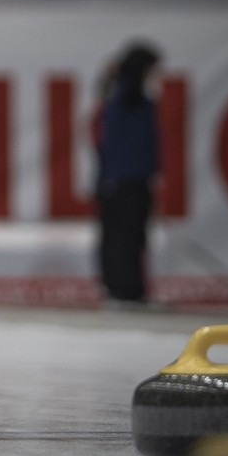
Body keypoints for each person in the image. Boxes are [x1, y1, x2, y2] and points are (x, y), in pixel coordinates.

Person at [94, 42, 162, 305]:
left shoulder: (133, 98)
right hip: (122, 179)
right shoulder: (124, 96)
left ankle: (127, 288)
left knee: (131, 236)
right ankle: (122, 289)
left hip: (132, 178)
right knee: (121, 236)